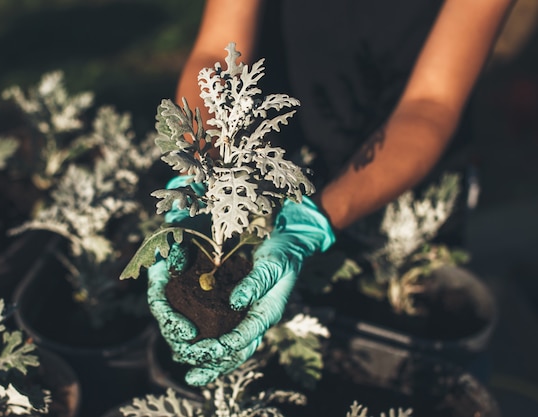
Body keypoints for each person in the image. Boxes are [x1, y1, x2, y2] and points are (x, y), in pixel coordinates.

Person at [148, 0, 516, 386]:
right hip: (273, 149)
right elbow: (217, 52)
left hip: (398, 174)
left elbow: (431, 105)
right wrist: (199, 171)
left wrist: (315, 217)